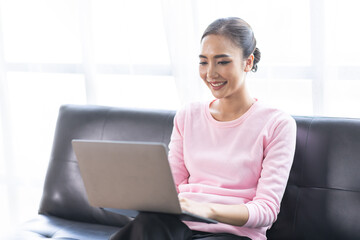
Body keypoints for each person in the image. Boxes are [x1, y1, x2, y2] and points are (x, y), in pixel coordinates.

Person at [110, 17, 296, 240]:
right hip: (178, 225)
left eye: (222, 62)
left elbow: (265, 210)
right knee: (146, 224)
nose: (210, 73)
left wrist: (206, 210)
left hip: (232, 234)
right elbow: (170, 188)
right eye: (203, 62)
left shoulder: (277, 123)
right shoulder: (188, 115)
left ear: (248, 62)